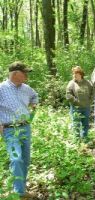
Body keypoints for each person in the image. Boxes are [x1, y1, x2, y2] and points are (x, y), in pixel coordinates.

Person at [0, 61, 38, 198]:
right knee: (16, 159)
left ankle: (21, 187)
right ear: (16, 74)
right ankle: (20, 193)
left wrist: (33, 107)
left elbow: (35, 96)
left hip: (25, 128)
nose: (26, 76)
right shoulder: (1, 88)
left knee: (25, 160)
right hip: (10, 130)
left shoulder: (26, 88)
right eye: (25, 73)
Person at [66, 66, 93, 138]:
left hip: (86, 107)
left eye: (76, 73)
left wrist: (90, 101)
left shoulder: (87, 82)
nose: (74, 75)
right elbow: (68, 95)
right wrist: (76, 102)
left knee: (85, 124)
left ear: (81, 74)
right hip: (76, 107)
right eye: (74, 74)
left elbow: (93, 92)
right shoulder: (71, 83)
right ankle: (77, 139)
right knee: (76, 124)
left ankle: (85, 138)